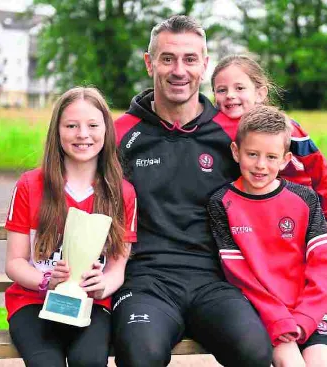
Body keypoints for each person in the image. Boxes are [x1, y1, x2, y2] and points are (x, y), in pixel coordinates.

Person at [112, 15, 272, 367]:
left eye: (189, 59)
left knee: (255, 352)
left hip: (215, 280)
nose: (178, 70)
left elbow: (284, 187)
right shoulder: (118, 133)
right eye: (167, 58)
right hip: (144, 280)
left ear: (204, 64)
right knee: (141, 355)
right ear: (149, 62)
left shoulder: (234, 134)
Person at [4, 87, 137, 367]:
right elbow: (15, 262)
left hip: (92, 304)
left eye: (92, 125)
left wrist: (103, 285)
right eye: (71, 126)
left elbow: (117, 269)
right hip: (32, 301)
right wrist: (45, 281)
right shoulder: (30, 185)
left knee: (88, 361)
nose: (82, 134)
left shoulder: (122, 193)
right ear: (57, 131)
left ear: (106, 131)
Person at [208, 105, 327, 367]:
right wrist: (279, 318)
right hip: (264, 313)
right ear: (236, 152)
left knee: (322, 362)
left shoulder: (305, 199)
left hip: (312, 310)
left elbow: (323, 266)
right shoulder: (222, 203)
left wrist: (304, 317)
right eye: (252, 154)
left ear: (285, 159)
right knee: (289, 362)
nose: (260, 165)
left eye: (271, 157)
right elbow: (239, 275)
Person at [211, 54, 327, 222]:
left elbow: (318, 166)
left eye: (240, 88)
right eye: (222, 90)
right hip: (248, 210)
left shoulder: (284, 128)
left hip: (295, 207)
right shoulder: (212, 129)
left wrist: (325, 211)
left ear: (260, 93)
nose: (230, 95)